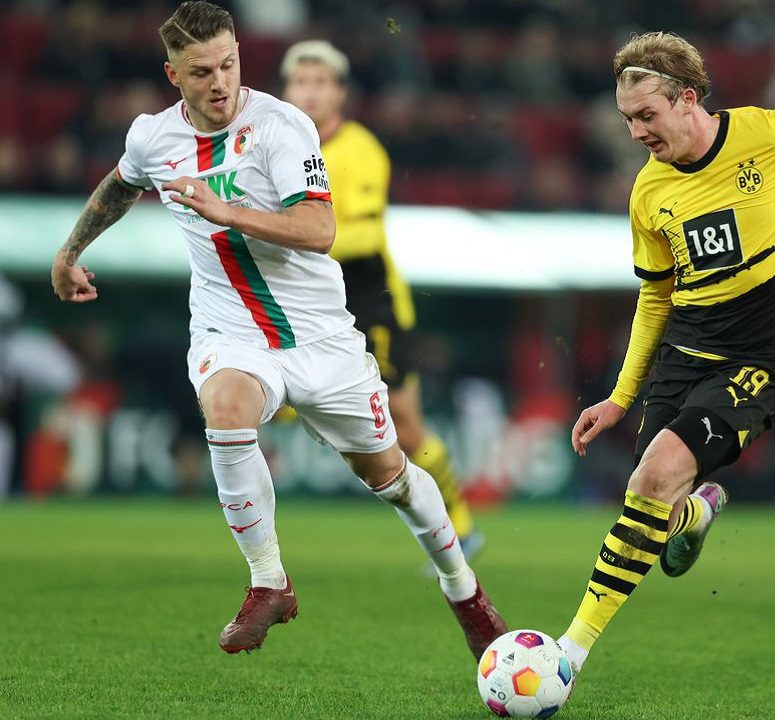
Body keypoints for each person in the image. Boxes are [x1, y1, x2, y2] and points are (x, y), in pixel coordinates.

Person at [49, 1, 505, 657]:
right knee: (226, 409)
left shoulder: (282, 127)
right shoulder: (153, 136)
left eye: (228, 65)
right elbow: (122, 184)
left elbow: (320, 230)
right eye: (201, 71)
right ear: (173, 74)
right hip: (230, 331)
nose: (219, 82)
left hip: (319, 338)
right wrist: (70, 252)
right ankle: (269, 582)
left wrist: (226, 211)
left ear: (240, 57)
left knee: (391, 475)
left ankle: (464, 591)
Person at [558, 31, 775, 676]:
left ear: (688, 98)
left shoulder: (773, 135)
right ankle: (696, 512)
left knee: (655, 474)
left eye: (646, 115)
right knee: (654, 499)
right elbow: (655, 298)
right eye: (627, 119)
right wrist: (620, 398)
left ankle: (566, 658)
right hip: (684, 355)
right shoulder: (649, 192)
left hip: (764, 358)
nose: (635, 132)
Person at [279, 40, 484, 565]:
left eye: (320, 82)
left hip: (371, 301)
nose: (309, 92)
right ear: (285, 90)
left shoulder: (360, 150)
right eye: (300, 82)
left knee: (405, 426)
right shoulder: (275, 146)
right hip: (307, 302)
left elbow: (364, 236)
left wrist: (287, 236)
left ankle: (460, 525)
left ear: (340, 93)